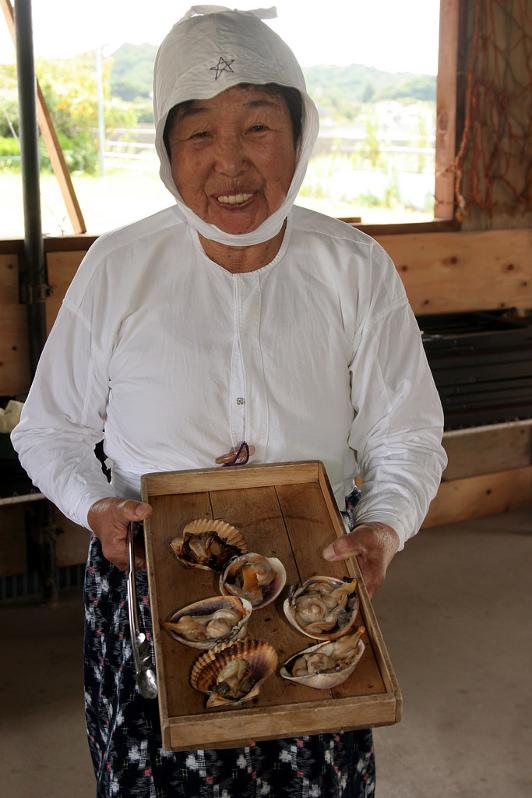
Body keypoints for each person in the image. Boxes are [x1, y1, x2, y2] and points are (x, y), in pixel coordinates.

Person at [12, 6, 447, 797]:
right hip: (149, 576)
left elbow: (406, 433)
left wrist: (383, 525)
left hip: (311, 583)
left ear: (299, 134)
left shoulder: (354, 268)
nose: (230, 164)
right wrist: (95, 507)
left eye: (257, 128)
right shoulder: (120, 267)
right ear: (167, 150)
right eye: (200, 135)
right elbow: (50, 430)